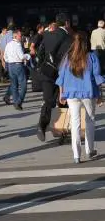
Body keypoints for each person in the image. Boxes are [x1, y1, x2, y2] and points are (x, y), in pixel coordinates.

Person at [56, 31, 104, 163]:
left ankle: (76, 155)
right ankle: (90, 150)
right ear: (87, 42)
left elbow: (62, 77)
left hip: (71, 94)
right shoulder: (92, 57)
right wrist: (100, 95)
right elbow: (97, 77)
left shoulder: (68, 58)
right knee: (90, 121)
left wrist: (62, 94)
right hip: (89, 92)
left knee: (75, 123)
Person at [36, 12, 72, 141]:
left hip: (47, 72)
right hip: (63, 74)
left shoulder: (47, 35)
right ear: (67, 23)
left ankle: (42, 125)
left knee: (48, 100)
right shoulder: (69, 38)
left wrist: (41, 66)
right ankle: (62, 129)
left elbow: (40, 52)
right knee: (64, 101)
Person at [2, 29, 30, 110]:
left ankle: (15, 102)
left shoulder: (8, 44)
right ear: (15, 36)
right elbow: (21, 57)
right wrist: (28, 56)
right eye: (20, 36)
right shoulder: (17, 44)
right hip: (18, 65)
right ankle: (18, 101)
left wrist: (9, 61)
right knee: (23, 86)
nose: (21, 37)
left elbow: (5, 57)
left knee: (14, 85)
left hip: (10, 65)